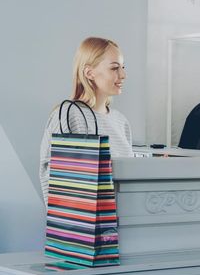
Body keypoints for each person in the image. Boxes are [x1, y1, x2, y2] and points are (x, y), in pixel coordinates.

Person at [39, 37, 134, 206]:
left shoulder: (121, 121)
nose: (123, 75)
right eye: (114, 68)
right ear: (89, 73)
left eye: (123, 67)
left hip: (124, 223)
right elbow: (50, 178)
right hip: (89, 227)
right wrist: (71, 226)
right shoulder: (70, 115)